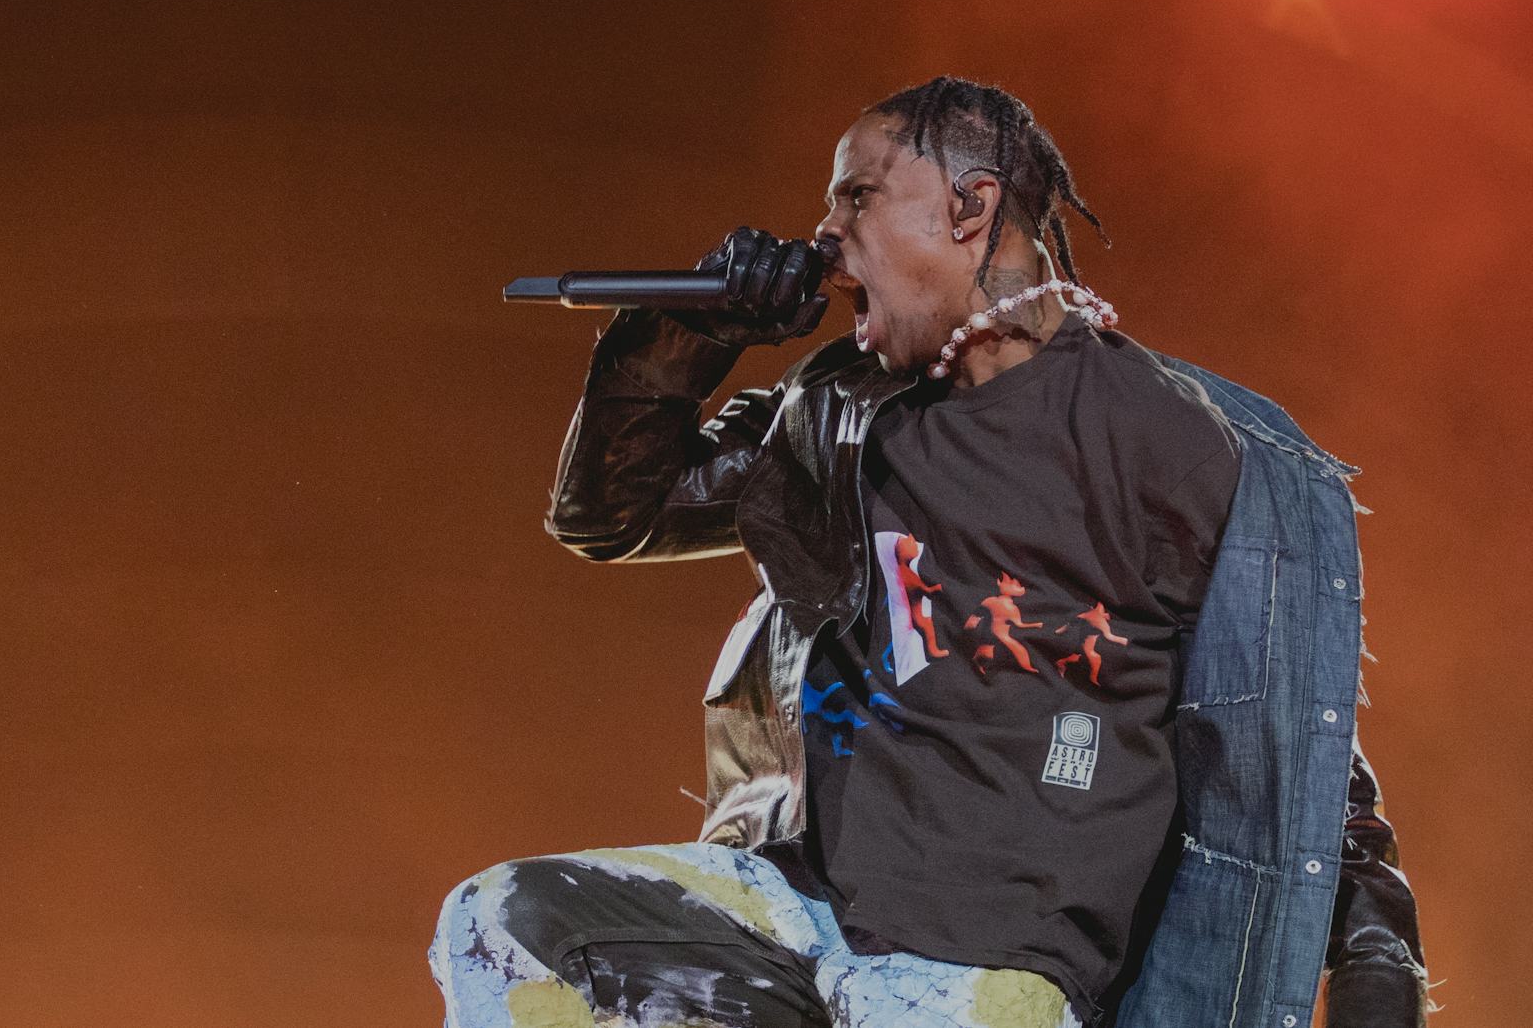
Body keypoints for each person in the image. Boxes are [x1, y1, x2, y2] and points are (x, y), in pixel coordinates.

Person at [431, 77, 1432, 1028]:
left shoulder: (1168, 441)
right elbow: (613, 515)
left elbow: (1290, 748)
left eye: (854, 196)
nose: (823, 235)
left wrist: (1375, 970)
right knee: (503, 918)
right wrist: (691, 332)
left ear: (969, 207)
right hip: (805, 907)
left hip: (989, 967)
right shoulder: (835, 405)